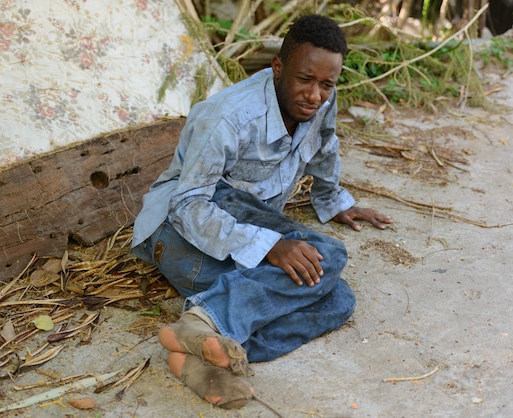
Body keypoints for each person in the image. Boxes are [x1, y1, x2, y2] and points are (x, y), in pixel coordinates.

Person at [130, 14, 392, 409]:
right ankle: (206, 323)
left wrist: (335, 199)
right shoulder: (227, 116)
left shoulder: (321, 101)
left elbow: (325, 143)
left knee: (338, 300)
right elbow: (187, 205)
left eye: (327, 84)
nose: (315, 95)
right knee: (331, 256)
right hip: (177, 230)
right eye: (305, 79)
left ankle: (204, 353)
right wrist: (269, 246)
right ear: (278, 66)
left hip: (236, 225)